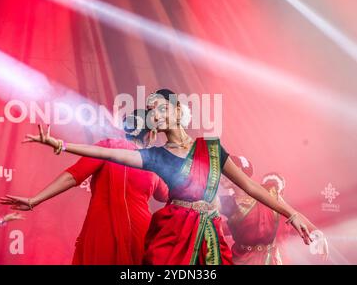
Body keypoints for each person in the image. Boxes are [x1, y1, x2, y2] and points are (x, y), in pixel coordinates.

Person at [18, 89, 315, 265]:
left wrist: (292, 213)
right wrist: (63, 144)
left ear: (176, 109)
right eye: (150, 111)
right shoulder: (155, 156)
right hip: (173, 238)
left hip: (209, 237)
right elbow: (109, 154)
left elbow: (249, 186)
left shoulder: (210, 148)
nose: (154, 114)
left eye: (159, 107)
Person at [0, 109, 168, 265]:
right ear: (152, 134)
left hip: (102, 232)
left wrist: (34, 200)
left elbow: (73, 176)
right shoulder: (155, 162)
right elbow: (167, 195)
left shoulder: (110, 147)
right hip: (140, 233)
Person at [219, 157, 328, 264]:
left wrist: (316, 232)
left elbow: (292, 213)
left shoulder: (268, 193)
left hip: (271, 259)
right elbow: (216, 225)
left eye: (225, 171)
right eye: (221, 172)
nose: (222, 176)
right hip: (242, 260)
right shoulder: (225, 202)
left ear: (239, 170)